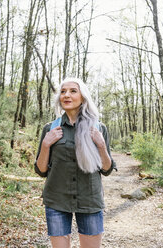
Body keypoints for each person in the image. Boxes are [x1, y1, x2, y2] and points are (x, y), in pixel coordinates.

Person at [34, 77, 117, 248]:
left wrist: (101, 145)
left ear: (83, 97)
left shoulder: (98, 128)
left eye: (73, 91)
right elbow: (41, 170)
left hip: (89, 199)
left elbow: (107, 169)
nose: (66, 95)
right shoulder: (50, 129)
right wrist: (45, 144)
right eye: (63, 92)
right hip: (57, 199)